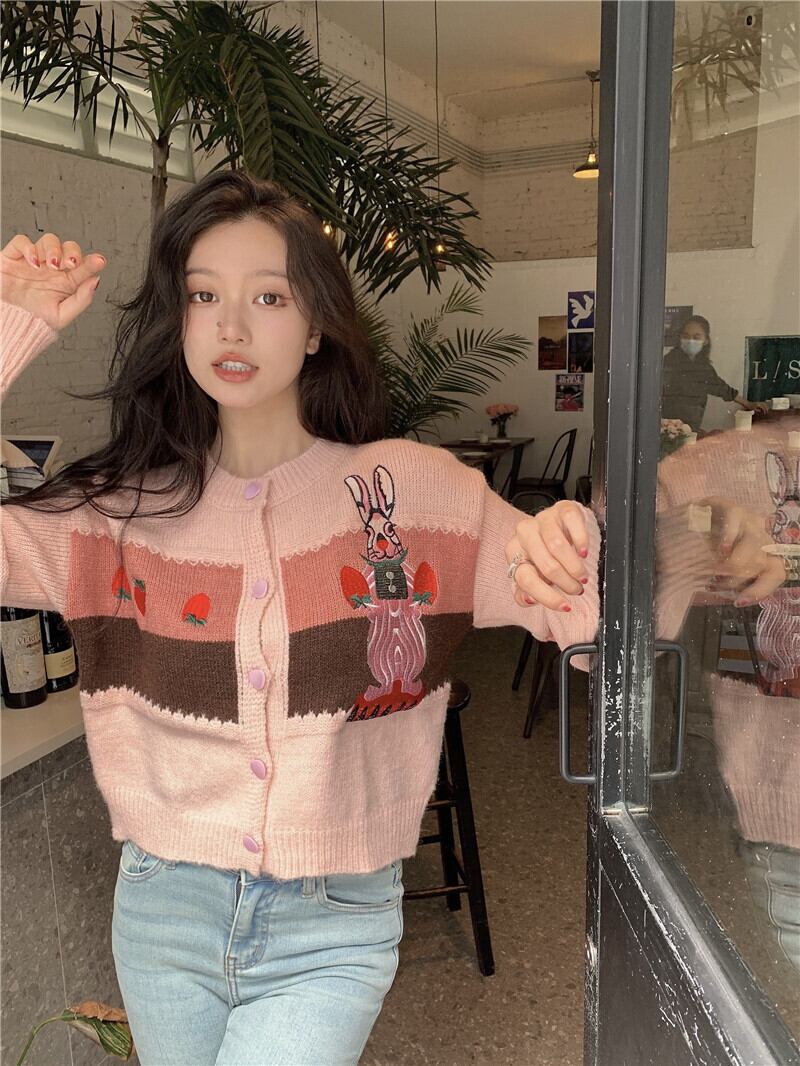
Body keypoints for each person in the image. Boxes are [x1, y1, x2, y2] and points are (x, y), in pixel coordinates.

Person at [0, 171, 600, 1066]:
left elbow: (596, 622)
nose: (231, 328)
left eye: (269, 297)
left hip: (333, 922)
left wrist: (576, 544)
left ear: (317, 323)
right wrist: (12, 326)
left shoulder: (418, 493)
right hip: (164, 911)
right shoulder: (115, 513)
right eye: (204, 295)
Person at [661, 314, 768, 432]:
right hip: (667, 428)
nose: (690, 341)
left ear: (706, 340)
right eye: (686, 336)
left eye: (696, 337)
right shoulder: (668, 363)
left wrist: (749, 404)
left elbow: (721, 388)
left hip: (690, 429)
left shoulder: (704, 368)